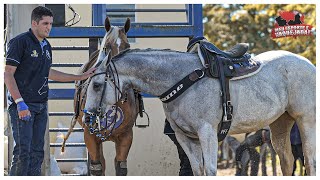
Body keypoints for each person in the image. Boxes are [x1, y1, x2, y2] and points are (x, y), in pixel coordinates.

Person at [4, 6, 96, 176]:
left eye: (51, 24)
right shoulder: (20, 42)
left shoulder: (46, 46)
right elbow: (8, 74)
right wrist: (19, 102)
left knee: (38, 152)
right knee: (23, 152)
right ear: (34, 23)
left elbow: (48, 72)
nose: (49, 27)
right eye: (45, 23)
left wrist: (80, 77)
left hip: (40, 106)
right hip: (23, 106)